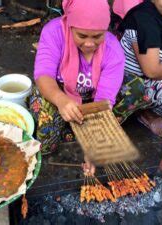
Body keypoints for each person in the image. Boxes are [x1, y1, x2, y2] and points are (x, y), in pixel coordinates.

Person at [29, 0, 125, 174]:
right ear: (70, 25)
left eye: (97, 36)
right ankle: (71, 128)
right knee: (46, 146)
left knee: (134, 89)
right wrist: (61, 100)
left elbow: (103, 102)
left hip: (91, 101)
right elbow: (43, 75)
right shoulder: (54, 32)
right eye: (82, 36)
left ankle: (77, 130)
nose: (89, 44)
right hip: (59, 93)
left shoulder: (113, 50)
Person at [113, 0, 162, 137]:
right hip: (135, 83)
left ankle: (143, 110)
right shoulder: (143, 19)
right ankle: (142, 110)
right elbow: (152, 71)